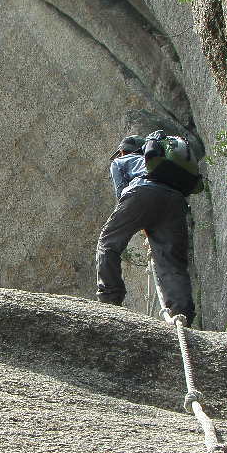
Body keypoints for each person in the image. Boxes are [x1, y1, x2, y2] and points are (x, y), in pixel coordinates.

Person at [95, 134, 195, 326]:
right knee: (171, 262)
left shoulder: (121, 160)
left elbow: (122, 193)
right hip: (175, 201)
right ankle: (182, 314)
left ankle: (110, 297)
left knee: (108, 243)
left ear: (123, 151)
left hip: (141, 194)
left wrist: (139, 219)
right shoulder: (162, 163)